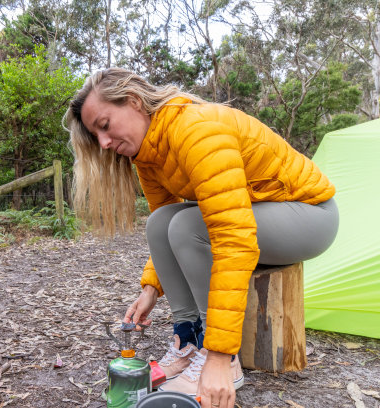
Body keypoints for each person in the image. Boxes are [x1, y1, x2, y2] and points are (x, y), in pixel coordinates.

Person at [64, 68, 339, 408]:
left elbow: (232, 235)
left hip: (310, 216)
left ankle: (218, 354)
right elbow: (163, 224)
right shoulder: (148, 154)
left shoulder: (195, 129)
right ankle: (187, 339)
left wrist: (220, 355)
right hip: (261, 214)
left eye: (104, 126)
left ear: (133, 102)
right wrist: (150, 288)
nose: (104, 143)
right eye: (96, 135)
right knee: (162, 222)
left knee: (188, 225)